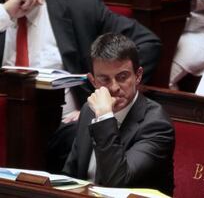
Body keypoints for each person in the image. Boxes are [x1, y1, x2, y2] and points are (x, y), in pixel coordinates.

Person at [0, 0, 162, 172]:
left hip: (64, 127)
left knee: (78, 139)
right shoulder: (3, 11)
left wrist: (95, 105)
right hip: (4, 122)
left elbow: (148, 43)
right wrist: (5, 13)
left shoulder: (80, 6)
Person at [63, 33, 174, 195]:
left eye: (122, 77)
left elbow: (117, 182)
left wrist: (104, 118)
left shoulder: (156, 125)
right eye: (104, 79)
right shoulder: (89, 110)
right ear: (93, 81)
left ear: (138, 76)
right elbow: (70, 175)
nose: (114, 87)